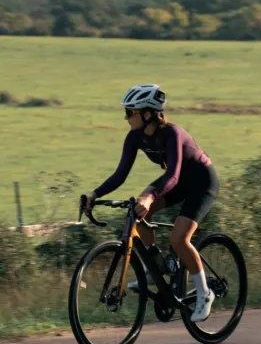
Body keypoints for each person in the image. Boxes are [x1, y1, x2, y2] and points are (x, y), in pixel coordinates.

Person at [84, 84, 219, 322]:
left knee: (179, 239)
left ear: (147, 114)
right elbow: (120, 174)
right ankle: (155, 266)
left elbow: (173, 175)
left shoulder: (172, 134)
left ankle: (205, 293)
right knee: (138, 212)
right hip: (177, 182)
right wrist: (95, 194)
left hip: (202, 182)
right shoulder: (135, 137)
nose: (126, 118)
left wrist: (149, 195)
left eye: (129, 112)